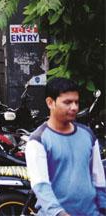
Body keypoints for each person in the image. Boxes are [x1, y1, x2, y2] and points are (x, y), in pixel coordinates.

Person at [26, 77, 106, 216]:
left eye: (76, 102)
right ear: (50, 103)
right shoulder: (38, 140)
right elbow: (41, 185)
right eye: (67, 102)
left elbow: (98, 179)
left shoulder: (87, 135)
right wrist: (59, 213)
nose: (74, 107)